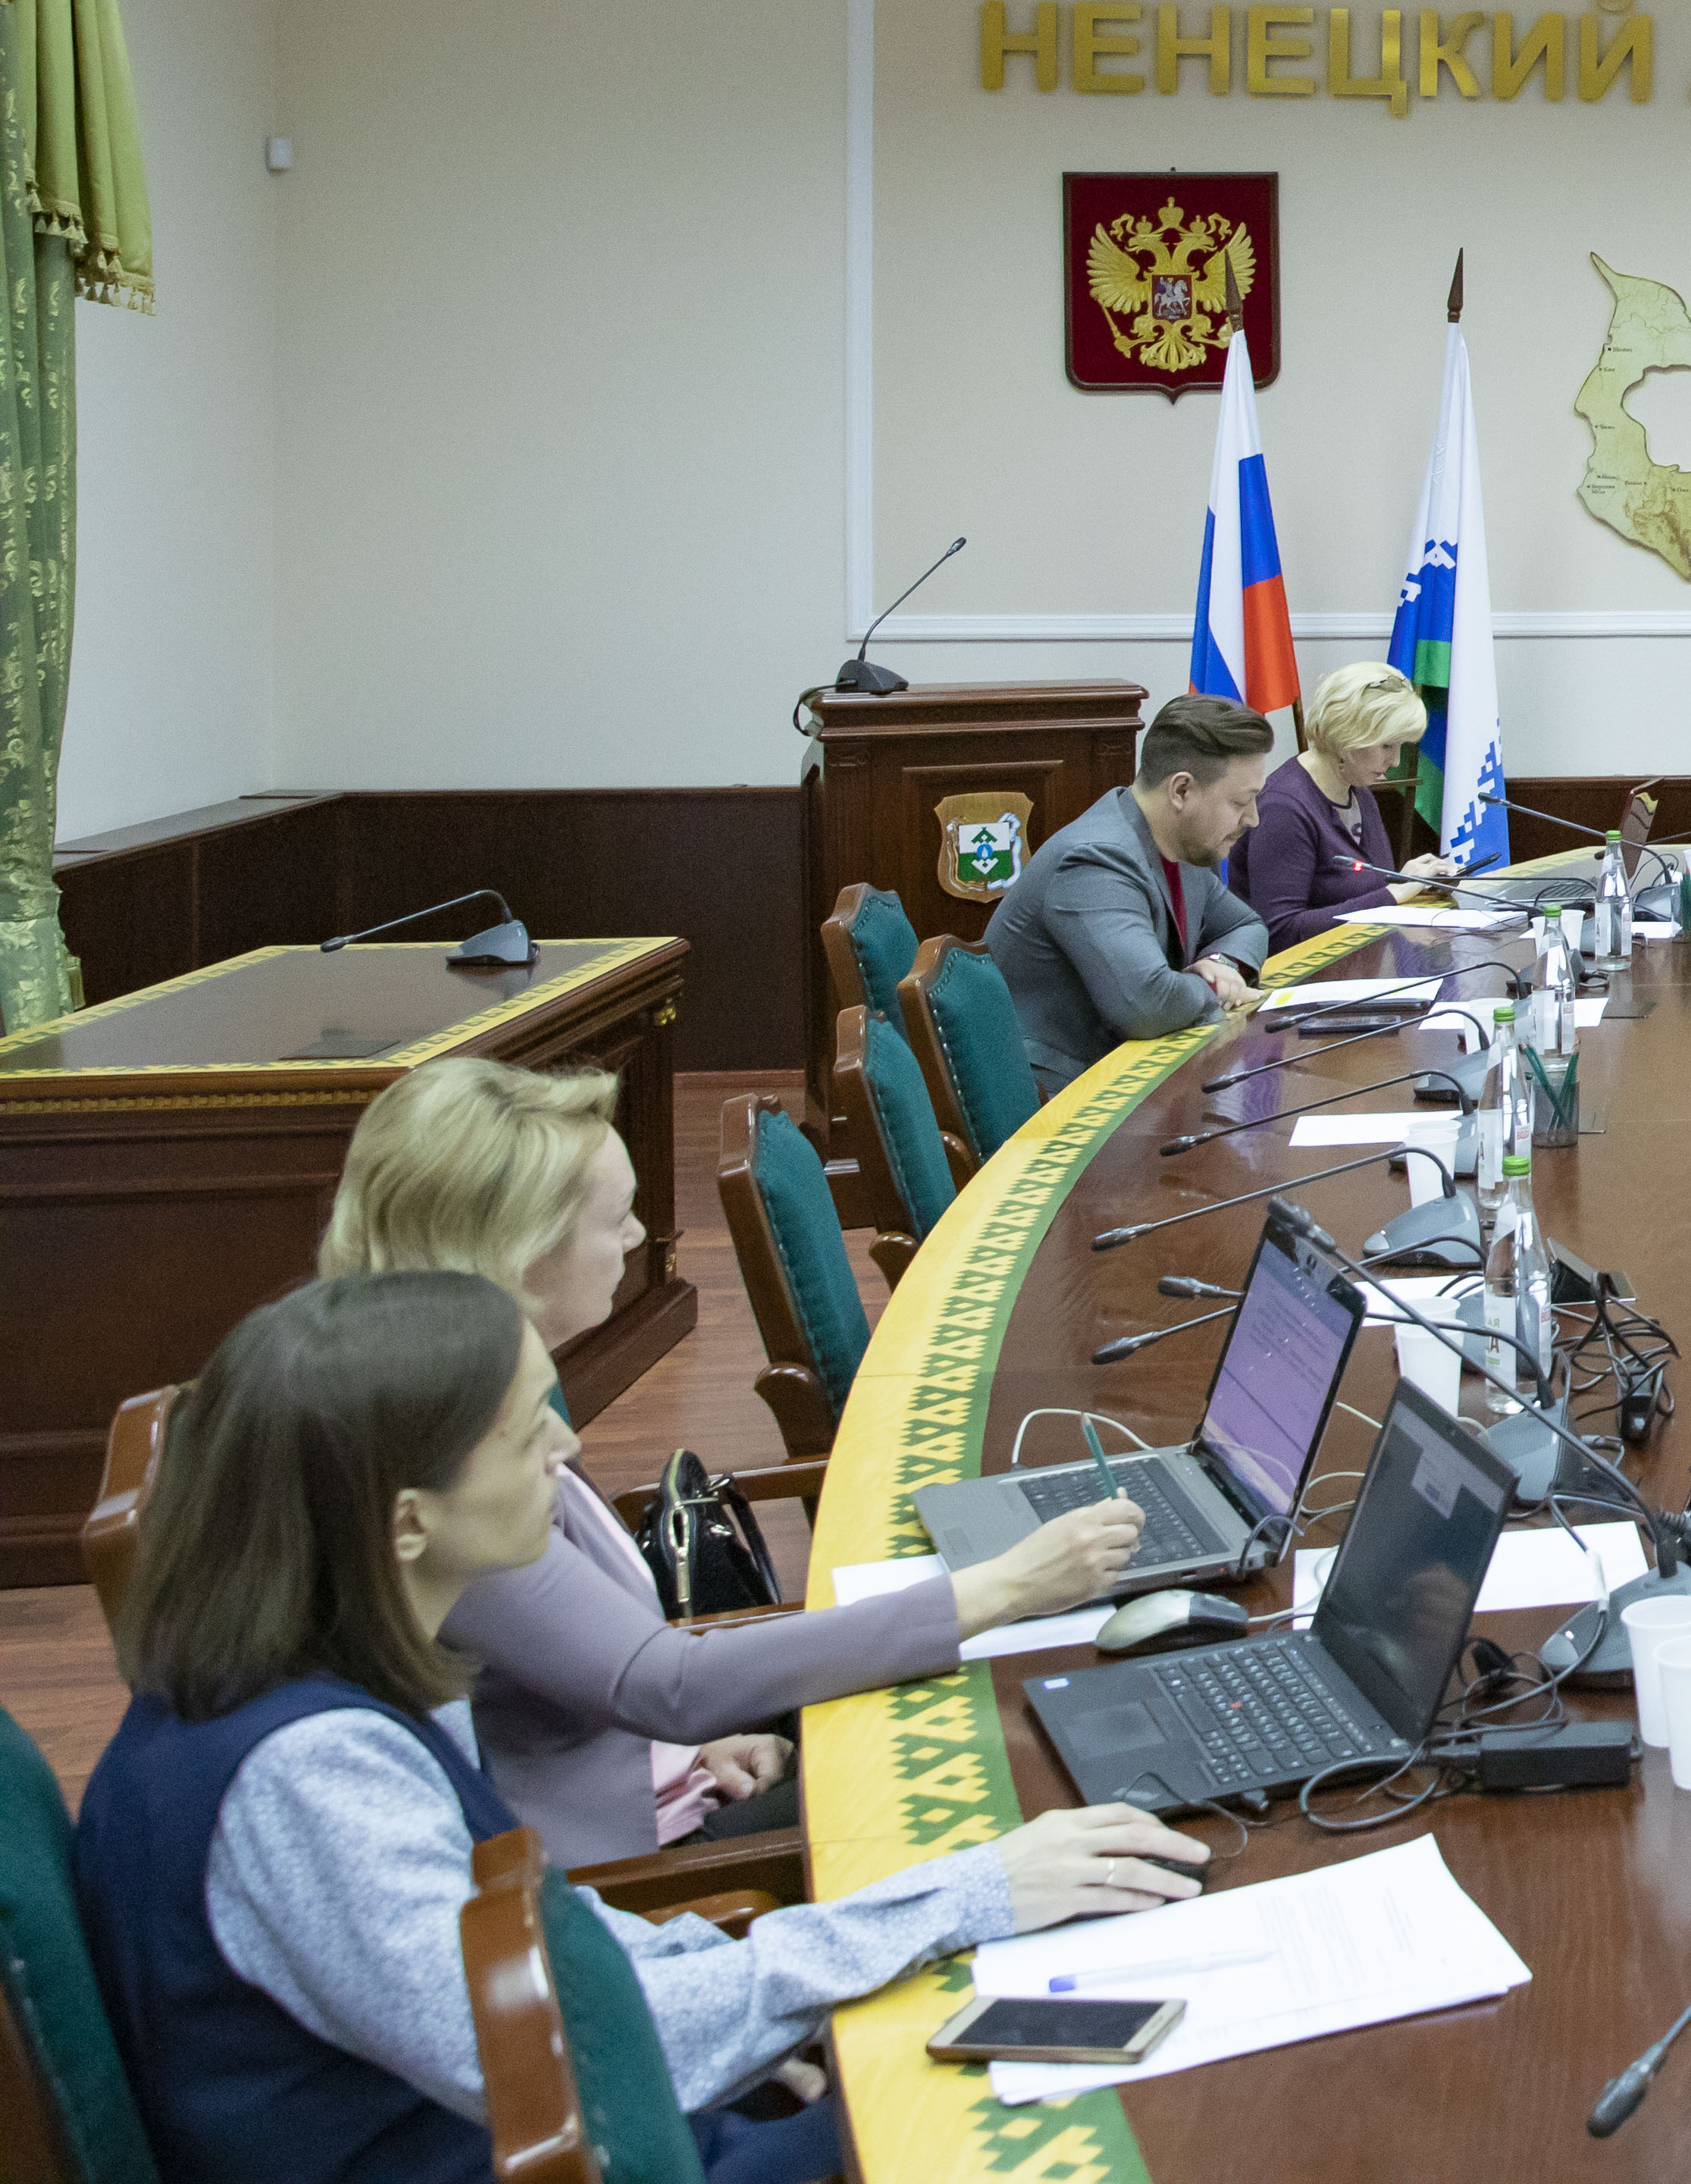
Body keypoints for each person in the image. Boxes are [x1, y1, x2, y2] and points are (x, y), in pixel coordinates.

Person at [73, 1273, 1204, 2184]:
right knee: (1114, 2099)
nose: (563, 1454)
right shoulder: (306, 1780)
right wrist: (963, 1896)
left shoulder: (309, 1664)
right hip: (553, 2150)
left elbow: (546, 1958)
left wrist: (755, 2005)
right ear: (409, 1522)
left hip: (566, 2122)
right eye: (527, 1432)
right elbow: (559, 2054)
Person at [315, 1056, 1143, 1868]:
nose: (638, 1237)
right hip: (629, 1872)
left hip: (668, 1776)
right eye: (617, 1219)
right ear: (523, 1254)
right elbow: (665, 1685)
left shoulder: (464, 1391)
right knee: (1039, 1762)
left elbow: (601, 1673)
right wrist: (1006, 1587)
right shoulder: (450, 1462)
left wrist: (685, 1753)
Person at [984, 691, 1276, 1092]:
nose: (1253, 819)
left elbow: (1246, 925)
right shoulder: (1096, 861)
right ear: (1181, 791)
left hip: (1127, 1071)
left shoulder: (1181, 844)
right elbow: (1147, 1005)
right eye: (1241, 801)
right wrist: (1210, 987)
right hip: (1054, 1095)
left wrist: (1219, 965)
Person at [1239, 662, 1455, 951]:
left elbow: (1358, 891)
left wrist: (1410, 878)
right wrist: (1395, 893)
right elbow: (1280, 932)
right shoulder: (1284, 808)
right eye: (1387, 746)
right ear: (1347, 737)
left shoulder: (1356, 786)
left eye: (1400, 746)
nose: (1395, 762)